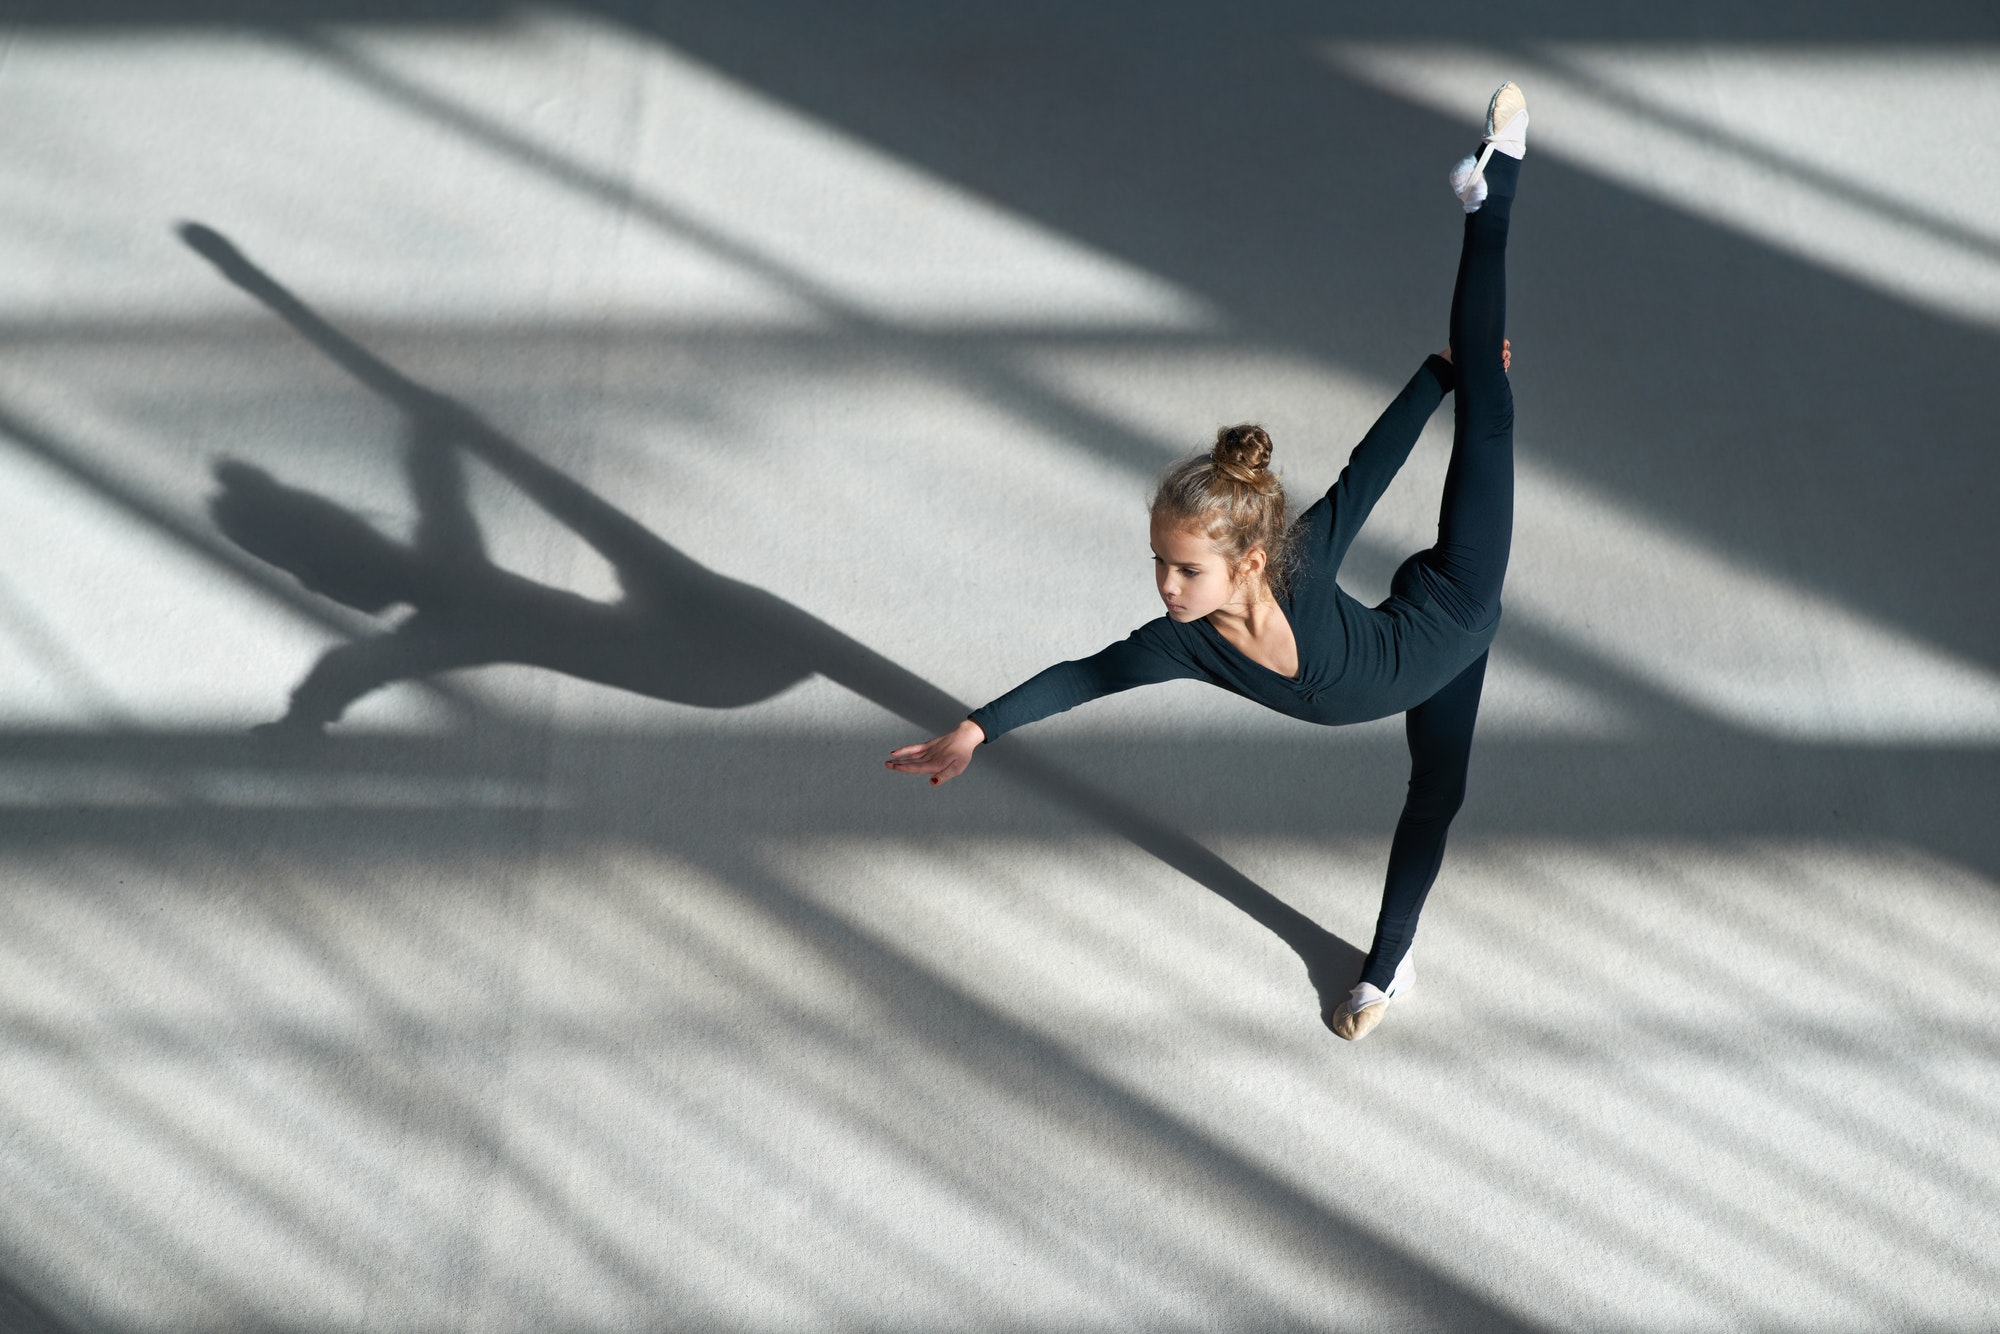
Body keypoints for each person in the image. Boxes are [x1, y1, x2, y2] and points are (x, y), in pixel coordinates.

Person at [887, 82, 1530, 1042]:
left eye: (1186, 570)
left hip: (1459, 600)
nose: (1165, 586)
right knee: (1435, 793)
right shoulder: (1183, 646)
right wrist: (978, 731)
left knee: (1488, 395)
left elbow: (1371, 466)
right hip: (1414, 641)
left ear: (1250, 560)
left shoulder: (1300, 561)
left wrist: (1437, 375)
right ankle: (1386, 974)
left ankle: (1496, 187)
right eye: (1159, 562)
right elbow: (1087, 674)